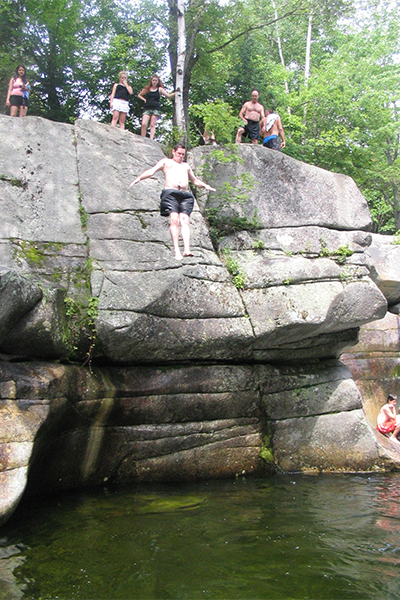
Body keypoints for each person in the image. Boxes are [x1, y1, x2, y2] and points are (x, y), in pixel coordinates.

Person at [130, 143, 216, 260]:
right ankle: (177, 251)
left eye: (183, 154)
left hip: (185, 195)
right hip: (170, 193)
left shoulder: (186, 166)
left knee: (185, 220)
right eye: (179, 153)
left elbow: (195, 181)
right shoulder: (166, 162)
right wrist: (138, 178)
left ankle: (186, 249)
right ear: (173, 152)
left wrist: (206, 186)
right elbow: (151, 171)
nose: (181, 156)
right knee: (174, 220)